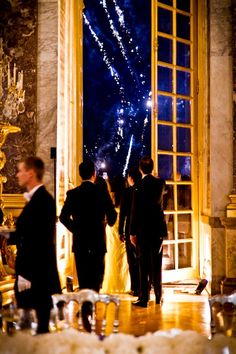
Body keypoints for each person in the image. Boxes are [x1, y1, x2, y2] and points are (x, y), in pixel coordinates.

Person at [2, 156, 61, 334]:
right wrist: (6, 234)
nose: (17, 174)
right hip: (33, 273)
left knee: (36, 329)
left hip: (36, 275)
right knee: (31, 329)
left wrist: (25, 275)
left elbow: (38, 242)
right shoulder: (37, 200)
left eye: (21, 170)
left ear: (31, 173)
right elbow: (26, 233)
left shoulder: (43, 201)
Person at [59, 160, 117, 292]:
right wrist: (104, 224)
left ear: (80, 175)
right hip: (98, 242)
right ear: (94, 174)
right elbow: (113, 216)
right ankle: (93, 310)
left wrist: (77, 229)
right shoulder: (102, 192)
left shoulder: (72, 194)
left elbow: (63, 217)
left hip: (80, 243)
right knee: (96, 284)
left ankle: (85, 310)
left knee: (84, 283)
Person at [130, 156, 167, 307]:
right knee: (156, 264)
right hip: (157, 229)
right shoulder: (160, 183)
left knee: (143, 265)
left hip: (143, 230)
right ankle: (158, 295)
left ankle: (144, 298)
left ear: (140, 169)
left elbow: (135, 210)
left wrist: (132, 232)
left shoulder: (138, 185)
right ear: (152, 168)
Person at [102, 175, 130, 293]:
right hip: (123, 227)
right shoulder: (127, 196)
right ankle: (124, 284)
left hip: (112, 227)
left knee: (112, 257)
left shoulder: (111, 197)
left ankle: (111, 284)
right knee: (123, 257)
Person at [119, 166, 141, 296]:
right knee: (141, 260)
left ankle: (135, 288)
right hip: (142, 228)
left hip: (130, 229)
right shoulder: (144, 190)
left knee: (132, 261)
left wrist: (120, 231)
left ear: (131, 178)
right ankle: (144, 286)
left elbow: (123, 214)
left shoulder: (127, 192)